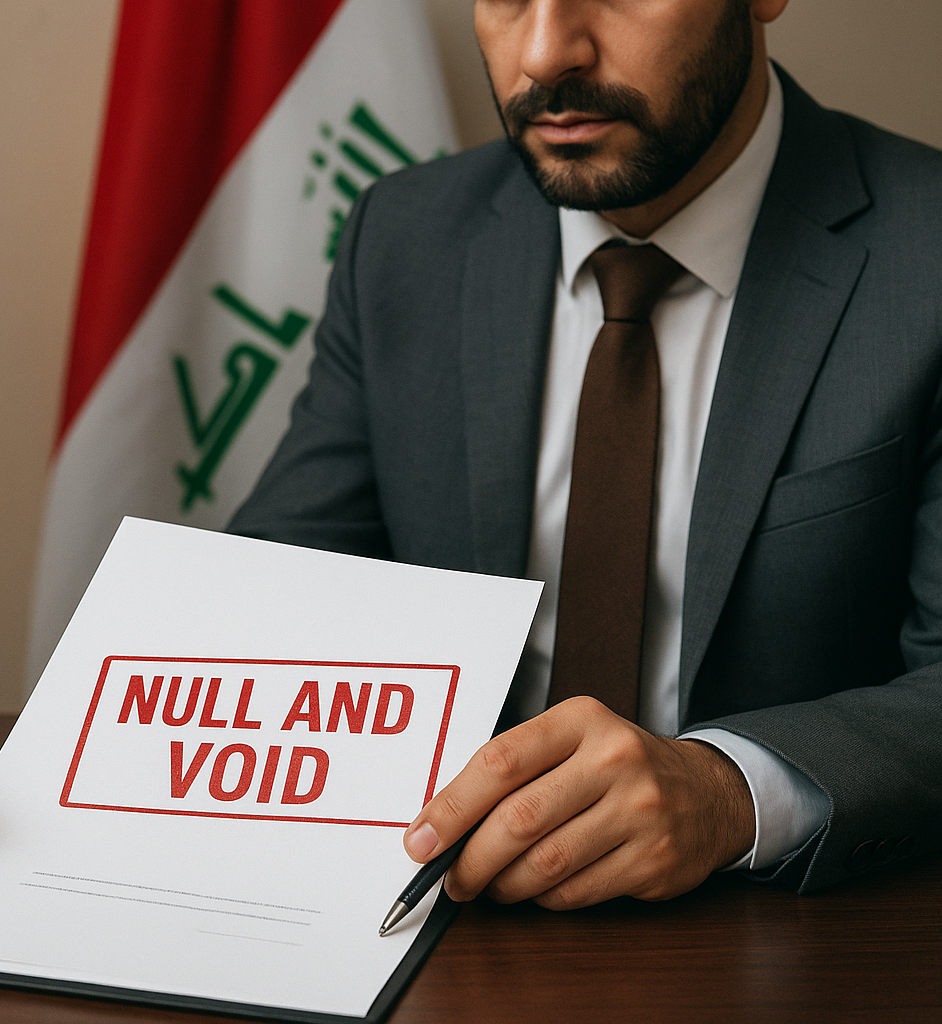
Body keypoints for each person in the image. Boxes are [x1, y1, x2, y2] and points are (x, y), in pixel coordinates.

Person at [230, 0, 941, 907]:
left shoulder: (927, 257)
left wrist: (727, 792)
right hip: (436, 914)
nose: (545, 54)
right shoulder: (403, 237)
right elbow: (265, 602)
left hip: (798, 936)